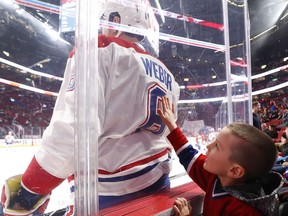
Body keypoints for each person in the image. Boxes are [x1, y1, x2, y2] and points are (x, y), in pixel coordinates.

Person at [1, 1, 180, 214]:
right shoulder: (167, 74)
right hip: (156, 182)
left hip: (109, 189)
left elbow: (74, 129)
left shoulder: (100, 48)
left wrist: (31, 187)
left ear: (114, 21)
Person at [157, 96, 282, 216]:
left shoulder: (244, 212)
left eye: (217, 146)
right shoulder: (221, 178)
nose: (208, 146)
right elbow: (190, 156)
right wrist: (171, 124)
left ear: (235, 170)